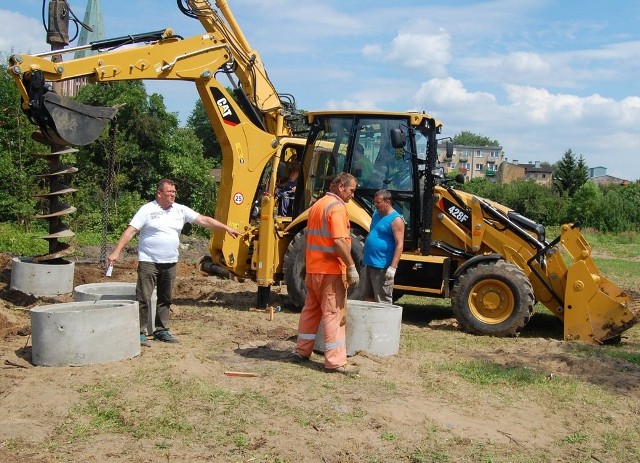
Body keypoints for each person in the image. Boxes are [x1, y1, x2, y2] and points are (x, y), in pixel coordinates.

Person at [108, 178, 241, 346]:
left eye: (174, 192)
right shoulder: (147, 210)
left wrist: (227, 228)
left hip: (170, 262)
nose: (173, 195)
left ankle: (161, 330)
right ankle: (139, 332)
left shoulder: (180, 210)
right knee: (143, 297)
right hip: (149, 261)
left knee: (166, 297)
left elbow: (204, 220)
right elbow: (131, 231)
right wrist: (116, 251)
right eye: (169, 192)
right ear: (159, 193)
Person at [293, 172, 360, 376]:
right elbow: (339, 241)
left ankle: (302, 351)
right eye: (351, 190)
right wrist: (351, 266)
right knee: (334, 314)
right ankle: (335, 361)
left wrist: (306, 265)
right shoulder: (337, 208)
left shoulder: (318, 206)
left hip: (314, 270)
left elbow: (310, 238)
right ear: (340, 187)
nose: (352, 195)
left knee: (311, 311)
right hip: (330, 271)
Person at [362, 190, 404, 303]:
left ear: (388, 202)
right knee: (368, 297)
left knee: (382, 300)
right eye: (374, 202)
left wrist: (392, 268)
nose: (375, 205)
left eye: (378, 202)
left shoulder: (396, 220)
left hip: (382, 266)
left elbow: (399, 244)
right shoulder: (376, 214)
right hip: (369, 263)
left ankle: (384, 321)